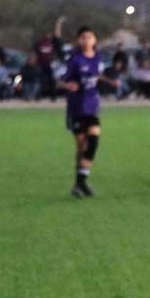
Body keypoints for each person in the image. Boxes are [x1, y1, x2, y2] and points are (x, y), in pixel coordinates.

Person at [59, 26, 120, 198]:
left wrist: (110, 81)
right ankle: (79, 183)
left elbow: (96, 75)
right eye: (83, 37)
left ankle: (80, 183)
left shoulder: (97, 58)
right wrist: (67, 85)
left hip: (92, 106)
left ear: (95, 40)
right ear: (79, 40)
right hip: (76, 108)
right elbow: (60, 81)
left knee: (92, 143)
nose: (86, 40)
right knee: (81, 147)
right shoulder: (74, 60)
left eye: (90, 37)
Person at [34, 17, 64, 101]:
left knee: (52, 81)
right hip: (41, 64)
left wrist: (58, 24)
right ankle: (38, 96)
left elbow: (57, 35)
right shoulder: (40, 42)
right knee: (40, 81)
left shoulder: (53, 42)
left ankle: (53, 97)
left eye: (50, 34)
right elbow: (35, 52)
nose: (48, 35)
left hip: (50, 64)